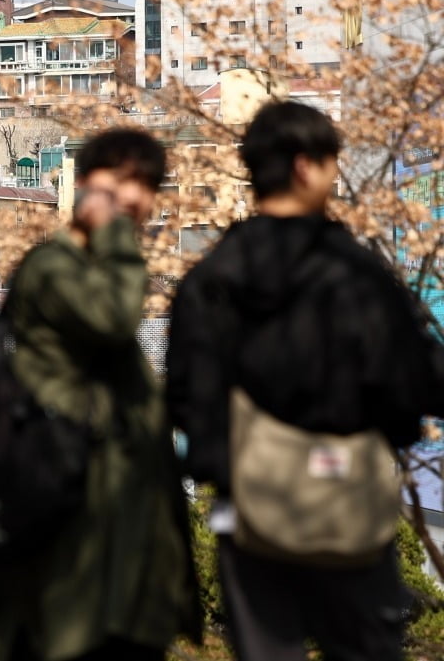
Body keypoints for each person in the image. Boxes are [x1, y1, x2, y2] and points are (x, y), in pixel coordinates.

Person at [167, 101, 442, 661]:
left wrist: (223, 469)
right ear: (304, 167)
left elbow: (186, 398)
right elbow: (412, 377)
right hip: (350, 508)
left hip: (250, 512)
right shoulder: (358, 275)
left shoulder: (211, 280)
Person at [0, 129, 199, 661]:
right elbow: (112, 317)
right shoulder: (53, 270)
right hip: (69, 568)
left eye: (147, 184)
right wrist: (113, 233)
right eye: (120, 181)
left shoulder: (94, 276)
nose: (135, 198)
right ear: (82, 187)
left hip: (118, 569)